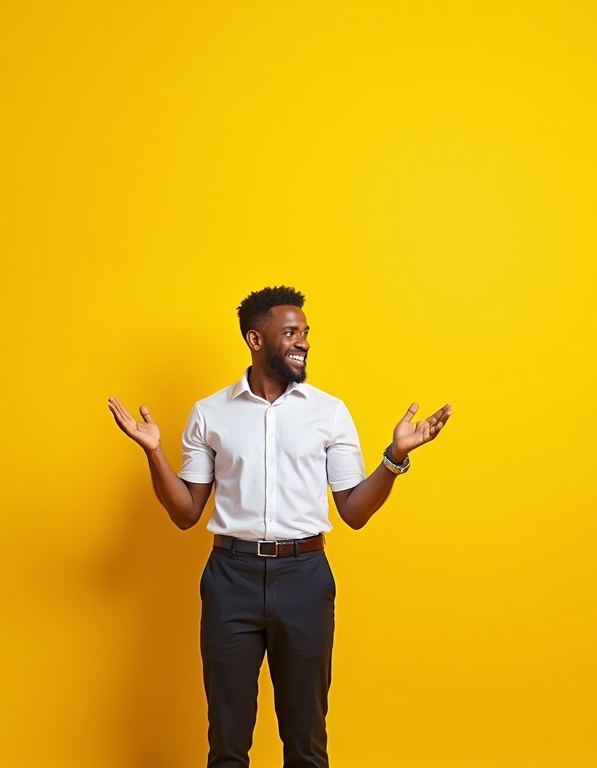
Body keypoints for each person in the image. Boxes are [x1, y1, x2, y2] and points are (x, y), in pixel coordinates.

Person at [107, 286, 451, 768]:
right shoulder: (210, 413)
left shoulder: (329, 412)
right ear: (255, 339)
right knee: (227, 742)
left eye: (305, 333)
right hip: (231, 578)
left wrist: (394, 457)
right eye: (290, 333)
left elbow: (353, 511)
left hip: (304, 577)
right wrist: (153, 452)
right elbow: (186, 512)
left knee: (307, 741)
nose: (303, 342)